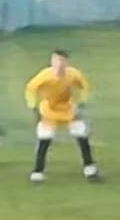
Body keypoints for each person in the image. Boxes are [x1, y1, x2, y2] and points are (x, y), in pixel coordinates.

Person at [24, 49, 100, 183]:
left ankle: (90, 169)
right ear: (52, 62)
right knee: (44, 140)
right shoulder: (44, 76)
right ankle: (38, 171)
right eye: (56, 60)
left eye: (62, 61)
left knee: (82, 136)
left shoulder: (73, 74)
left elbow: (85, 86)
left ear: (66, 62)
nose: (59, 64)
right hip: (49, 111)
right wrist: (33, 107)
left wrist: (81, 104)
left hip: (68, 110)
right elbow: (30, 89)